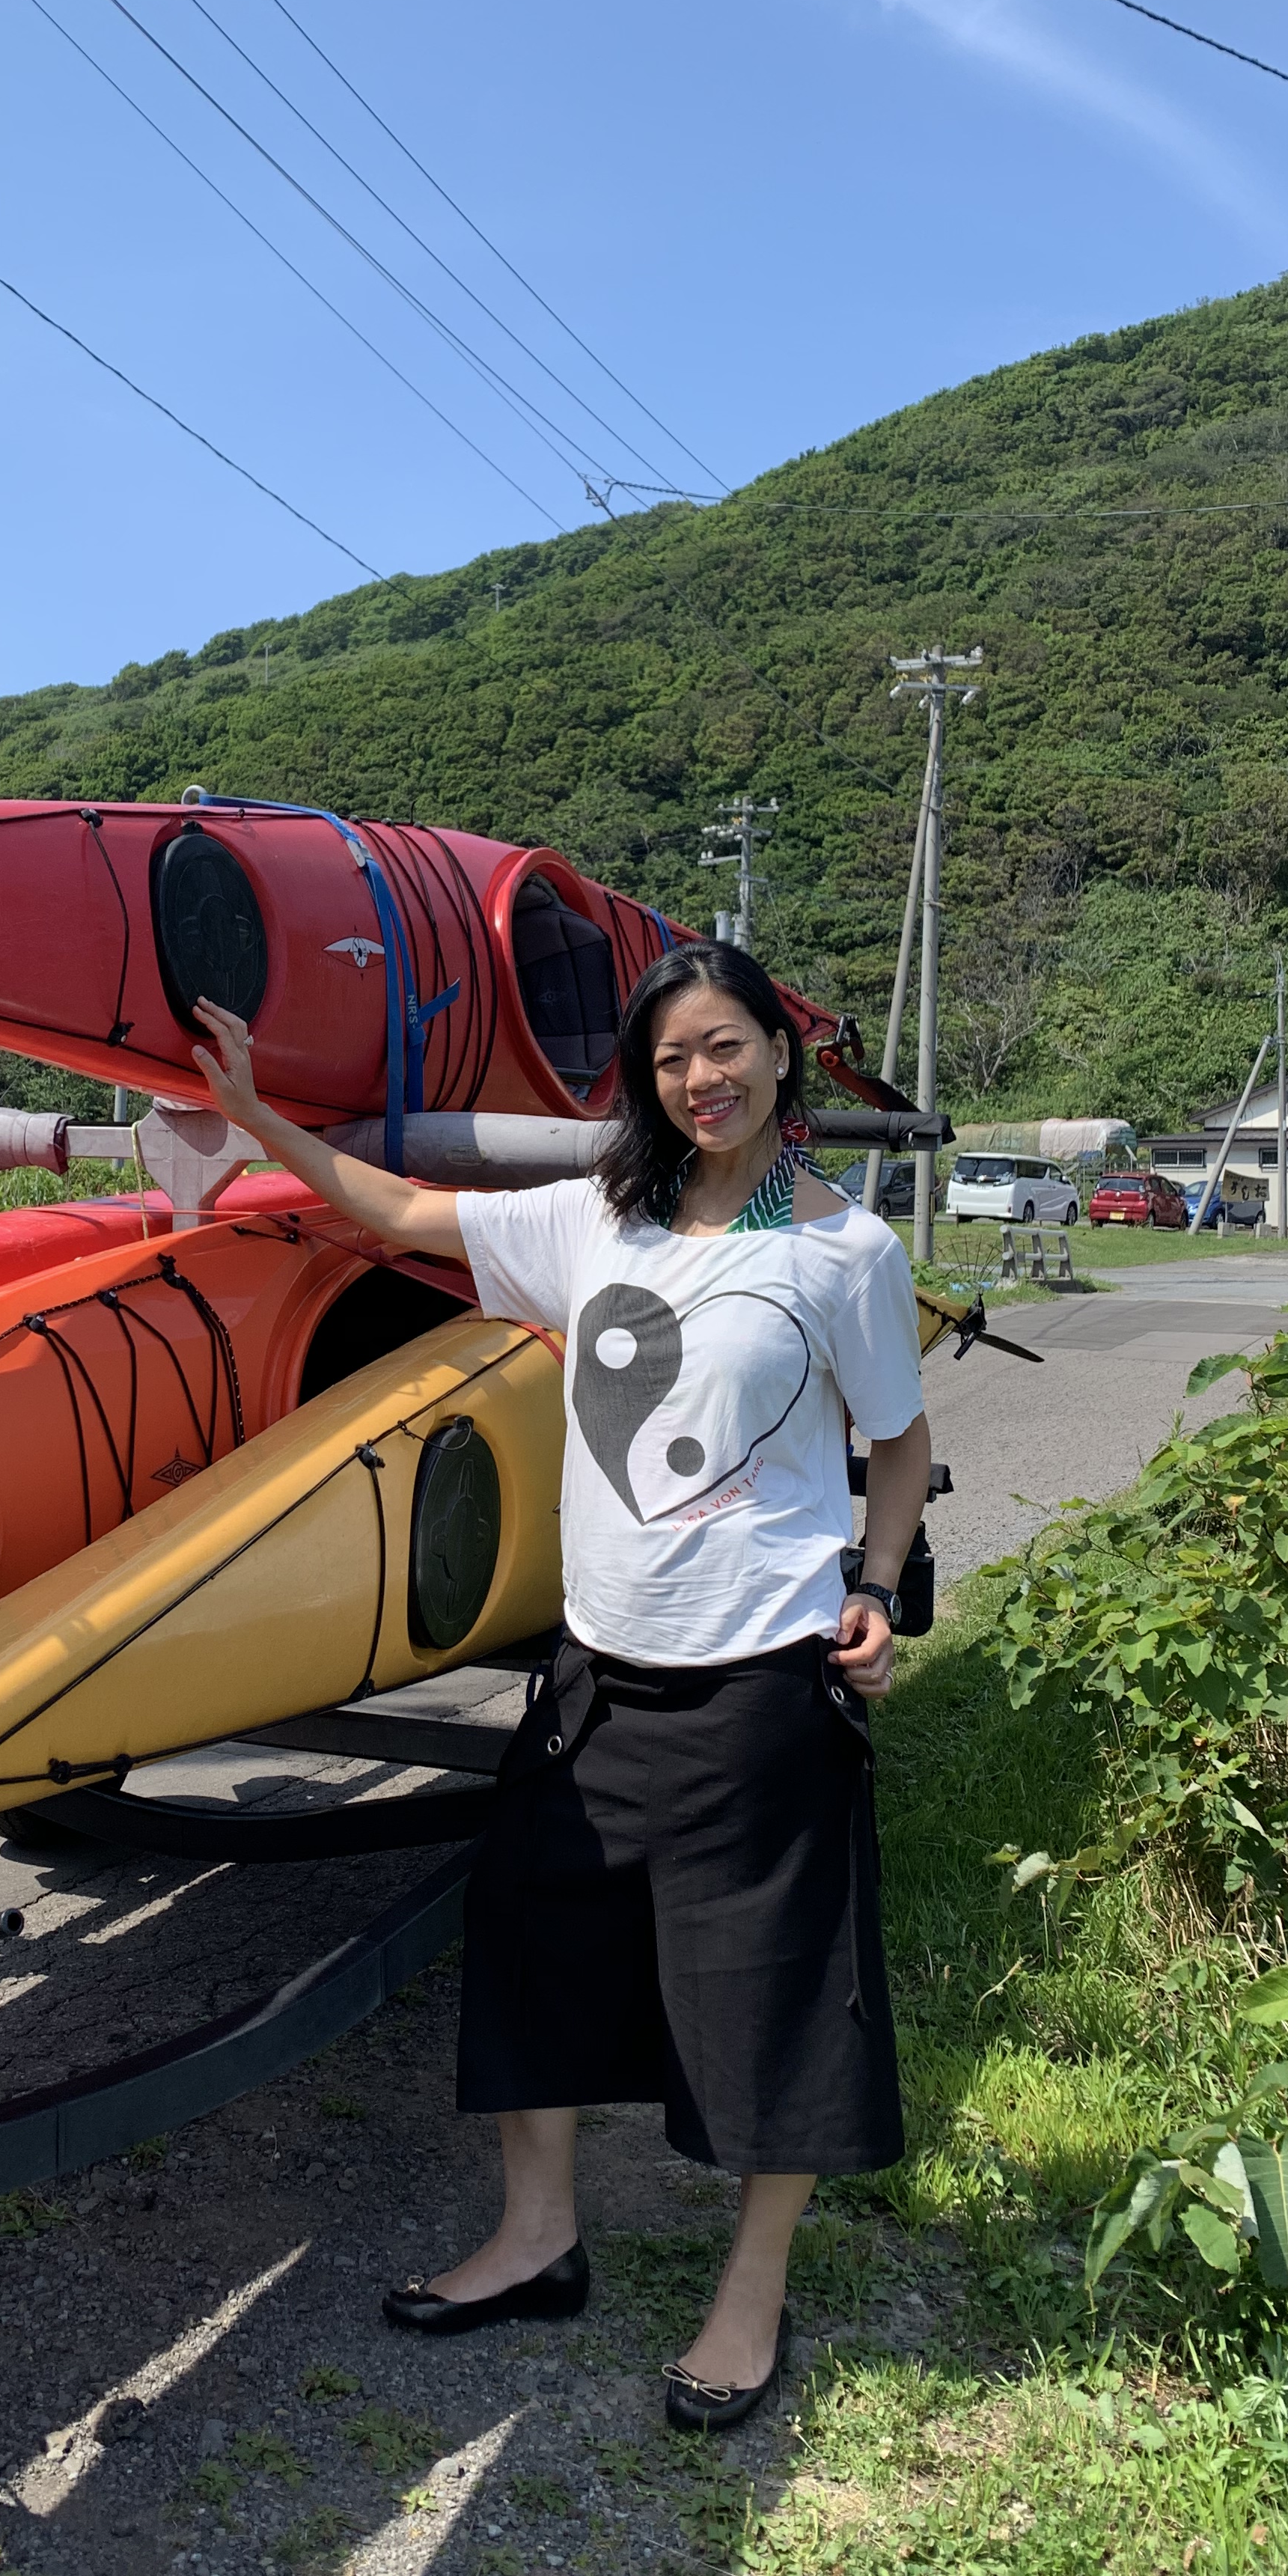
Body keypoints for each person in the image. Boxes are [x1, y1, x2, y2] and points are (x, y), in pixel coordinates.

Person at [190, 941, 930, 2432]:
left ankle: (753, 2294)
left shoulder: (843, 1249)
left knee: (769, 1998)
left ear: (778, 1055)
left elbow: (898, 1448)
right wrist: (261, 1120)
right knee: (526, 1940)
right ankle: (539, 2242)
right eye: (671, 1061)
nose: (702, 1079)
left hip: (760, 1681)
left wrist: (871, 1583)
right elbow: (398, 1208)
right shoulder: (607, 1221)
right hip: (600, 1680)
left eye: (725, 1047)